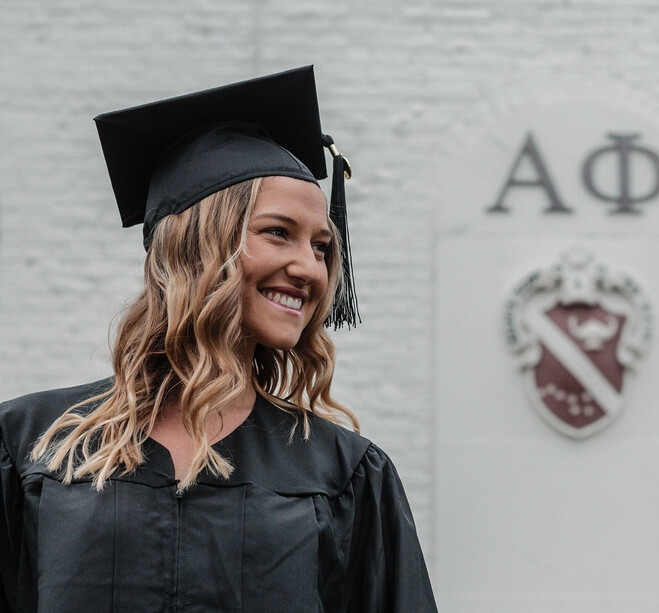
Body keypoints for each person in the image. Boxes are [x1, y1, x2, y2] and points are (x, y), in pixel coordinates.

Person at [0, 67, 438, 612]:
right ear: (195, 247)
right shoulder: (31, 447)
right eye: (279, 232)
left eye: (323, 246)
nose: (311, 267)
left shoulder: (342, 473)